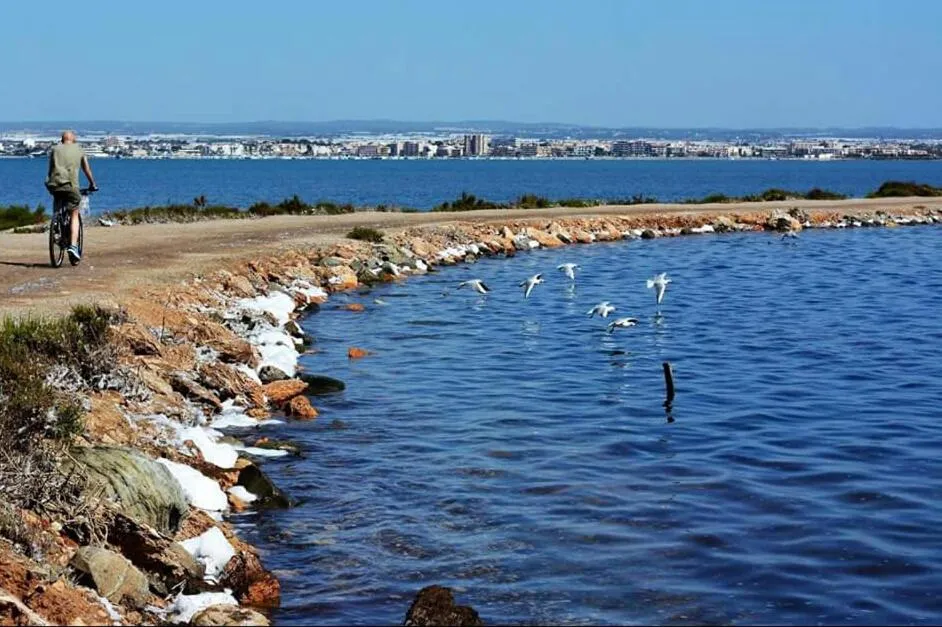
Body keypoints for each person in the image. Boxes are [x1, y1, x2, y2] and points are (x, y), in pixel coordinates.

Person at [45, 130, 98, 263]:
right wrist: (93, 184)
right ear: (74, 140)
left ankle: (56, 223)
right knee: (74, 212)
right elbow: (86, 169)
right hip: (71, 186)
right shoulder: (79, 149)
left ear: (61, 140)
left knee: (57, 201)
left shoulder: (54, 149)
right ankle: (73, 246)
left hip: (54, 185)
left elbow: (51, 169)